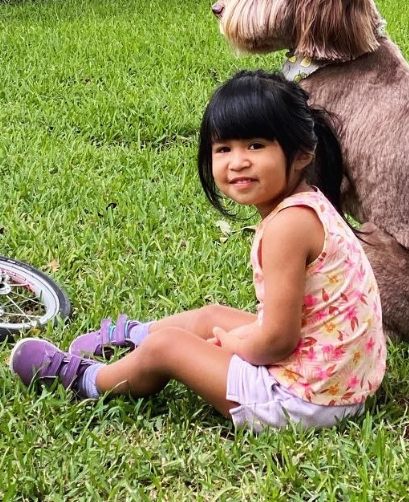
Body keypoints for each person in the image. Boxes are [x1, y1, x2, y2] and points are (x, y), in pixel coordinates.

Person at [10, 70, 386, 432]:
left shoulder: (288, 227)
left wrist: (234, 346)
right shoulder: (307, 205)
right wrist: (232, 337)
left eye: (256, 145)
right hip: (338, 378)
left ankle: (88, 380)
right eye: (223, 148)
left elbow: (277, 341)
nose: (237, 161)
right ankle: (132, 335)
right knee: (212, 315)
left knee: (169, 347)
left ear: (302, 152)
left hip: (305, 401)